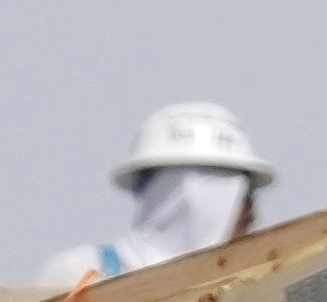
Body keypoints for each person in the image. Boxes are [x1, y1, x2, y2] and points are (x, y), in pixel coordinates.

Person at [41, 105, 269, 287]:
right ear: (194, 197)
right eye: (244, 198)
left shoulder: (253, 287)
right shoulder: (80, 272)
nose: (252, 215)